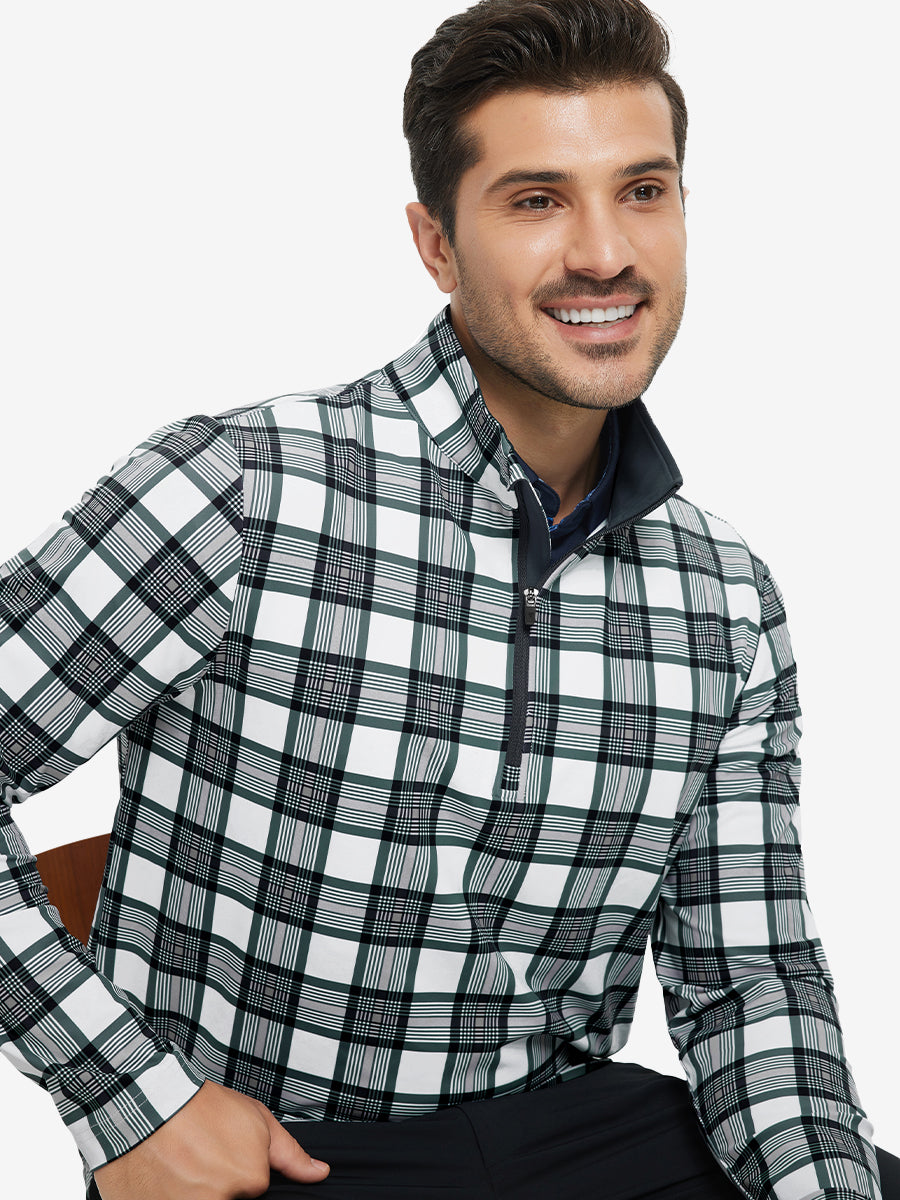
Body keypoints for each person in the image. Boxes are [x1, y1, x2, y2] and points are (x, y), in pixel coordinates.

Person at [0, 1, 896, 1197]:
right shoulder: (241, 492)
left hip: (573, 1137)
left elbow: (751, 981)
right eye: (537, 201)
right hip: (284, 1155)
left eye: (642, 191)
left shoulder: (724, 600)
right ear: (436, 243)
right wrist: (128, 1100)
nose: (605, 253)